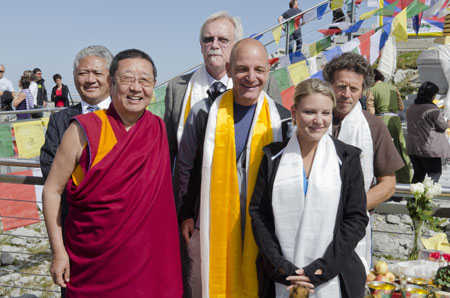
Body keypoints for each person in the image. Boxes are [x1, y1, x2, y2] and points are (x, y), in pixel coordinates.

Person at [42, 49, 182, 297]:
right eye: (127, 79)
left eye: (145, 81)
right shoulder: (83, 130)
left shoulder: (158, 128)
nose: (136, 88)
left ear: (154, 86)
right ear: (113, 83)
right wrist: (58, 252)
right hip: (93, 264)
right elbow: (52, 190)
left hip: (149, 264)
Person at [175, 38, 291, 297]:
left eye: (259, 70)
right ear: (229, 70)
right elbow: (186, 167)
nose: (251, 77)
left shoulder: (281, 118)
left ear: (268, 72)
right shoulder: (205, 112)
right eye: (242, 69)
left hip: (262, 226)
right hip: (209, 219)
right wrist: (185, 213)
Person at [249, 79, 368, 298]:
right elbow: (259, 214)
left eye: (326, 113)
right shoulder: (272, 157)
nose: (318, 121)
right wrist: (281, 266)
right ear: (294, 112)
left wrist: (322, 268)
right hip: (282, 276)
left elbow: (356, 219)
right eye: (310, 112)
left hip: (335, 275)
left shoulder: (347, 158)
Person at [40, 45, 113, 298]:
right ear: (74, 77)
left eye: (97, 72)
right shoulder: (60, 121)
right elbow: (50, 169)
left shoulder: (126, 117)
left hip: (118, 233)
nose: (90, 79)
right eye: (83, 73)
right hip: (75, 233)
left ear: (110, 76)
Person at [164, 11, 282, 168]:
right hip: (196, 187)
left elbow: (279, 141)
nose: (214, 45)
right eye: (208, 39)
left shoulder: (263, 84)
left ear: (236, 45)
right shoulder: (178, 88)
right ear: (200, 45)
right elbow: (169, 150)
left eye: (223, 40)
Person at [322, 52, 404, 272]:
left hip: (354, 225)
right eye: (340, 87)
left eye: (354, 89)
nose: (346, 94)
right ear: (328, 84)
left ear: (363, 91)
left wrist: (349, 208)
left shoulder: (373, 127)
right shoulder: (311, 120)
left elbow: (388, 184)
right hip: (313, 220)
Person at [367, 69, 411, 184]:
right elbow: (401, 107)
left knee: (386, 151)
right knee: (400, 149)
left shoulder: (372, 90)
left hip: (382, 120)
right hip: (395, 119)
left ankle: (390, 180)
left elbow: (370, 112)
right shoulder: (393, 88)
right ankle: (406, 178)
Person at [406, 81, 450, 183]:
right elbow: (442, 126)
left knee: (418, 174)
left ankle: (413, 198)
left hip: (413, 147)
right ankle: (426, 197)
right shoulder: (432, 109)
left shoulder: (412, 107)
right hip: (428, 148)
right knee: (434, 173)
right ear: (432, 95)